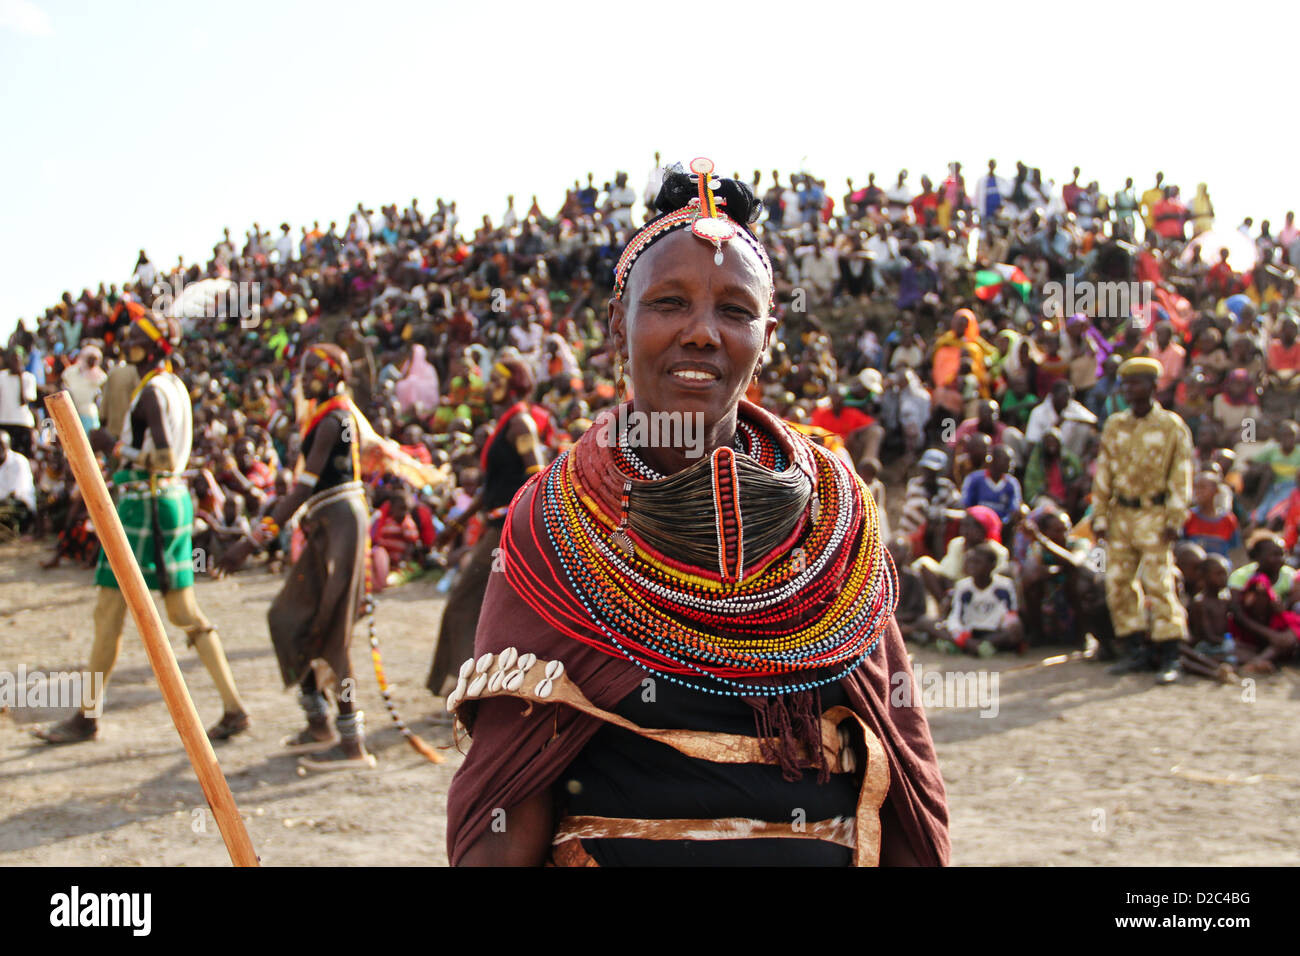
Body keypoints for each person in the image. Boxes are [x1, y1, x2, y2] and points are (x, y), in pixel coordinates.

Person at [445, 161, 949, 867]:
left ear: (767, 336)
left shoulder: (837, 521)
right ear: (618, 324)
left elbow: (901, 770)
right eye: (669, 303)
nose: (704, 333)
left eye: (736, 311)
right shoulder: (554, 523)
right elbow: (511, 787)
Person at [35, 314, 251, 743]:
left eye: (136, 339)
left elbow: (166, 459)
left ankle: (87, 716)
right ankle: (233, 707)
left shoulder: (152, 391)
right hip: (169, 504)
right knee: (183, 613)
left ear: (152, 348)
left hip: (145, 507)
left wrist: (110, 444)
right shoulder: (173, 387)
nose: (128, 343)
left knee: (109, 613)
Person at [219, 343, 375, 770]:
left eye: (312, 370)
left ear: (332, 375)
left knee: (333, 634)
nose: (303, 378)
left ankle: (351, 744)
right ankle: (318, 723)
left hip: (340, 524)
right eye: (303, 370)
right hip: (328, 524)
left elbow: (304, 489)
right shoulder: (327, 417)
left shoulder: (336, 419)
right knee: (290, 617)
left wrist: (251, 542)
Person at [426, 356, 546, 702]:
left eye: (497, 379)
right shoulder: (505, 423)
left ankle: (471, 685)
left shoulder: (521, 423)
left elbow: (536, 478)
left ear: (513, 384)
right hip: (494, 526)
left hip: (505, 532)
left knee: (465, 603)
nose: (490, 385)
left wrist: (519, 527)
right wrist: (455, 526)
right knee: (478, 606)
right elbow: (488, 488)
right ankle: (476, 683)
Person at [1092, 357, 1194, 684]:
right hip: (1121, 514)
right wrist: (1100, 517)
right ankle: (1136, 650)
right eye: (1126, 383)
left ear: (1152, 386)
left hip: (1155, 514)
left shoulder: (1171, 426)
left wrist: (1175, 518)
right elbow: (1103, 473)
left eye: (1135, 383)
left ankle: (1170, 655)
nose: (1128, 389)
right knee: (1118, 582)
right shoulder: (1115, 425)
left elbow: (1181, 474)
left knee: (1159, 581)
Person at [0, 430, 36, 537]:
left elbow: (13, 493)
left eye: (1, 445)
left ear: (7, 446)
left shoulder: (18, 462)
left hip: (20, 507)